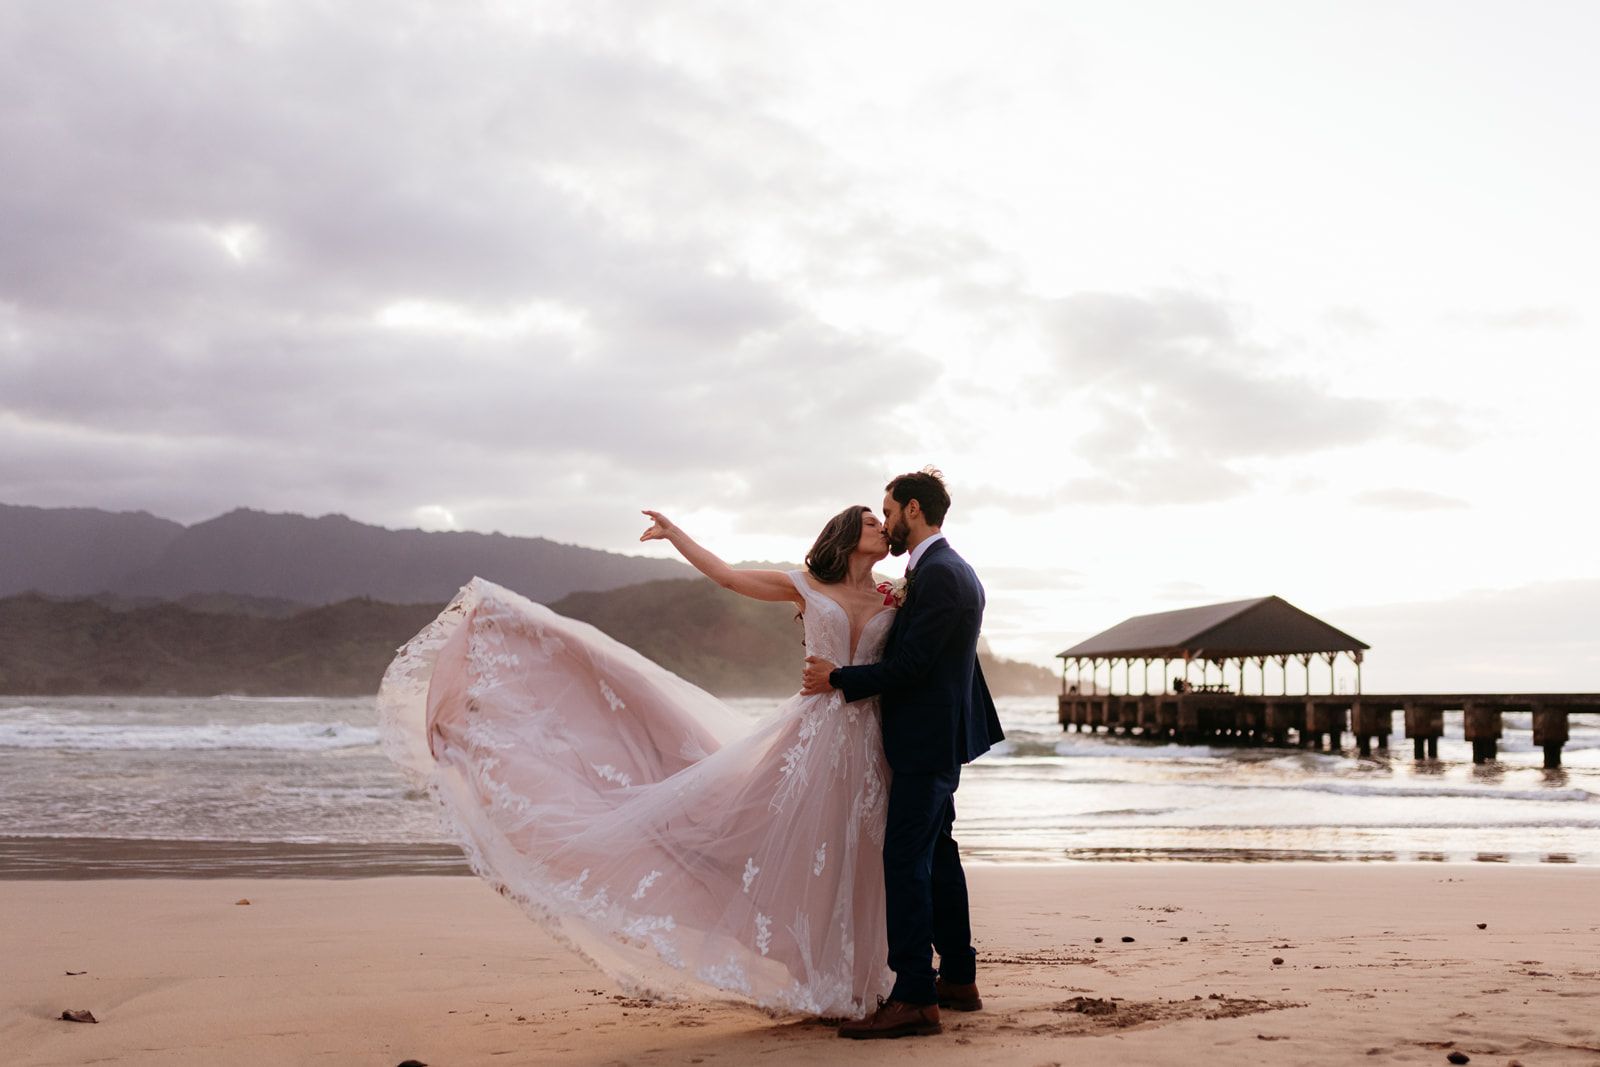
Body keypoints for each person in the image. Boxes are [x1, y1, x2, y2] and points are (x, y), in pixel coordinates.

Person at [378, 503, 901, 1017]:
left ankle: (861, 981)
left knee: (862, 855)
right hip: (811, 737)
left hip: (871, 739)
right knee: (777, 842)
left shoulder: (896, 596)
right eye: (874, 521)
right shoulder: (806, 585)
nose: (883, 527)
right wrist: (677, 535)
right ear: (847, 534)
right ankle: (818, 976)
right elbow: (726, 577)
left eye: (885, 519)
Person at [802, 467, 1004, 1039]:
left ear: (913, 510)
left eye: (888, 512)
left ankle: (915, 993)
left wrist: (838, 676)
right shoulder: (945, 571)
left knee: (905, 860)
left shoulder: (940, 576)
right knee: (938, 853)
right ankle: (959, 978)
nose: (885, 523)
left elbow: (914, 667)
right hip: (940, 737)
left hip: (925, 743)